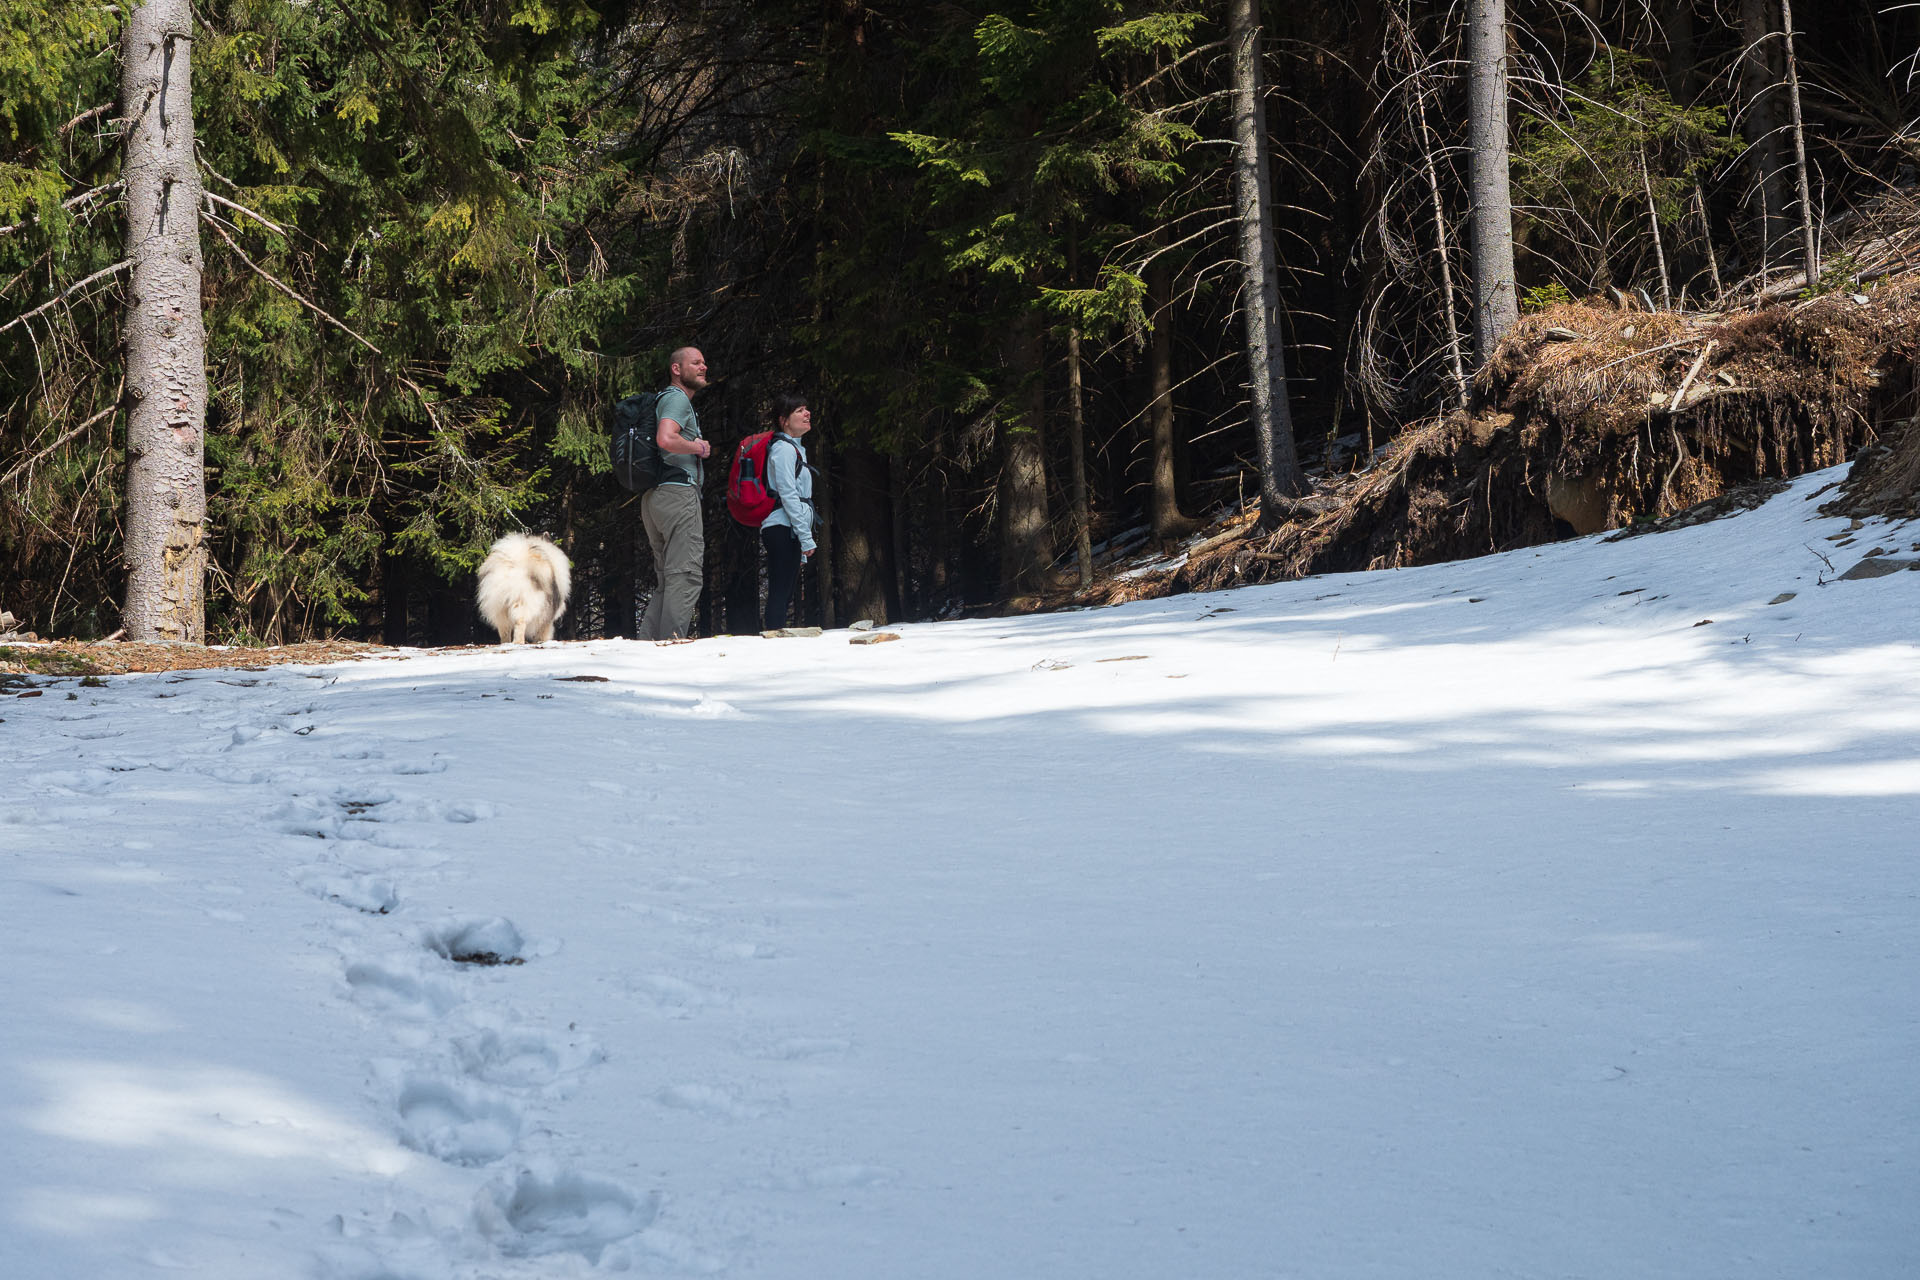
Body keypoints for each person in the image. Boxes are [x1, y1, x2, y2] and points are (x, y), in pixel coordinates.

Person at [641, 346, 712, 641]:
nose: (703, 366)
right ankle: (671, 645)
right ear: (676, 369)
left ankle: (646, 647)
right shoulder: (677, 398)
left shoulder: (664, 399)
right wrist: (699, 447)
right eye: (695, 362)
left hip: (655, 497)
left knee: (667, 580)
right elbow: (665, 438)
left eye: (704, 362)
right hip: (678, 494)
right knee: (685, 575)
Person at [759, 392, 815, 630]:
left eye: (806, 409)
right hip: (782, 528)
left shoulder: (794, 448)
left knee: (784, 592)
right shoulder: (783, 449)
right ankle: (773, 642)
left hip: (787, 528)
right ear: (784, 420)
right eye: (799, 410)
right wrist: (806, 537)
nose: (807, 413)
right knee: (780, 593)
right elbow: (788, 495)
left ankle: (776, 640)